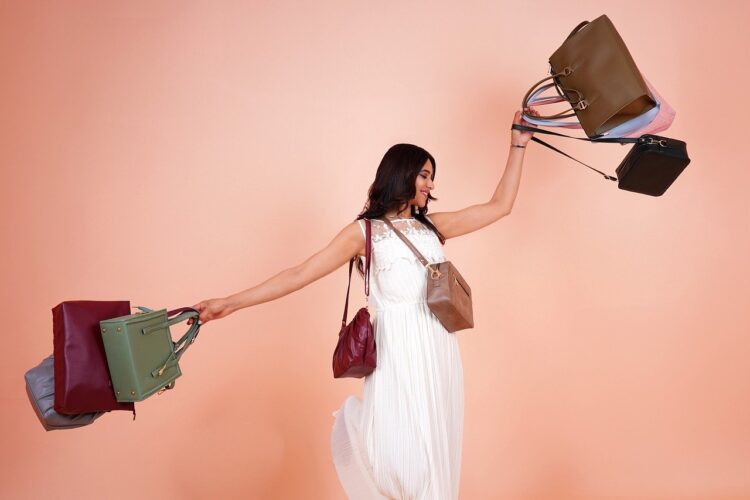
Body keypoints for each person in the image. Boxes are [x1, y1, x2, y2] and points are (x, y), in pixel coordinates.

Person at [191, 110, 536, 499]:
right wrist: (230, 303)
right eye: (424, 175)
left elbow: (499, 205)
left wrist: (518, 144)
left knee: (435, 453)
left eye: (431, 176)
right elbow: (299, 273)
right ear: (402, 174)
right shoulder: (364, 233)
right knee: (400, 455)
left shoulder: (432, 227)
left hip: (438, 348)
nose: (431, 184)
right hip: (396, 351)